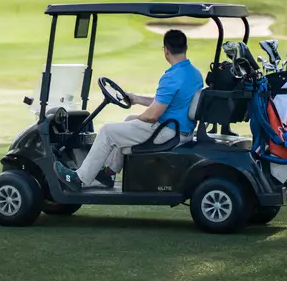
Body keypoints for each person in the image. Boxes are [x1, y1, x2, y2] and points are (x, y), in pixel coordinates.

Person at [53, 29, 203, 191]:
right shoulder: (194, 74)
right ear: (185, 48)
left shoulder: (171, 77)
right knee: (129, 121)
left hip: (168, 132)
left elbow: (153, 115)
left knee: (107, 131)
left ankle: (80, 179)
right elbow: (169, 102)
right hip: (181, 131)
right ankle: (109, 172)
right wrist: (136, 99)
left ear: (166, 51)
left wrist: (141, 119)